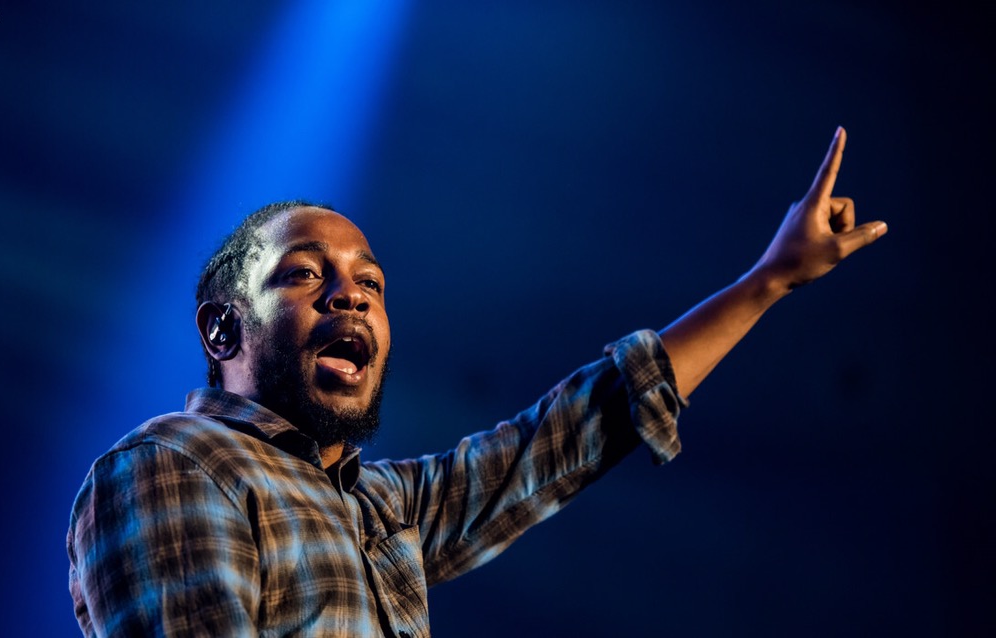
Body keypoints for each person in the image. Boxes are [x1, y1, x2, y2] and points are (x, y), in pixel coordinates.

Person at [67, 127, 885, 637]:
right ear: (223, 329)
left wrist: (768, 280)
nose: (351, 294)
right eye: (304, 274)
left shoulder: (379, 505)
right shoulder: (171, 466)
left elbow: (566, 435)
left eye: (370, 283)